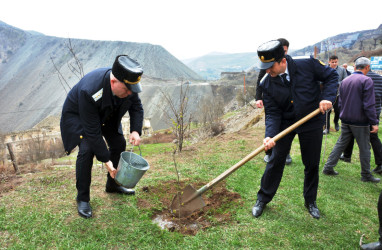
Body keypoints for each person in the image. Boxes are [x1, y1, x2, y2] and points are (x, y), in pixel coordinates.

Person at [252, 40, 338, 219]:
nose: (268, 71)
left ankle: (310, 201)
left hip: (311, 119)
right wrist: (270, 136)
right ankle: (263, 199)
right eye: (265, 67)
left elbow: (331, 77)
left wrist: (327, 97)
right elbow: (273, 113)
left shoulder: (307, 64)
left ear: (282, 61)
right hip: (285, 122)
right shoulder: (266, 83)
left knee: (311, 163)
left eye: (271, 66)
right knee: (275, 160)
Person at [60, 55, 144, 218]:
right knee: (87, 149)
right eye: (126, 91)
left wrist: (135, 130)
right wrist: (107, 161)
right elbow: (92, 132)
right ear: (114, 82)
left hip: (106, 114)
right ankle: (82, 198)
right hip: (80, 115)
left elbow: (136, 106)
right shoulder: (90, 90)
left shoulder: (128, 85)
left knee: (119, 142)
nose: (129, 94)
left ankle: (112, 185)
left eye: (130, 91)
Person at [322, 57, 380, 183]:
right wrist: (374, 122)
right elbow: (369, 104)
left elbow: (341, 101)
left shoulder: (345, 80)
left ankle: (328, 167)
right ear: (367, 68)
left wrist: (343, 113)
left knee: (340, 144)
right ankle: (366, 175)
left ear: (354, 67)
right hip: (360, 121)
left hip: (346, 118)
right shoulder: (367, 80)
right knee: (365, 147)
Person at [255, 38, 292, 165]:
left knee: (287, 130)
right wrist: (258, 97)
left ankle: (285, 153)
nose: (284, 53)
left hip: (287, 106)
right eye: (282, 50)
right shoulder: (268, 66)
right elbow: (260, 82)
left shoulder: (289, 64)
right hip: (272, 100)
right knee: (272, 125)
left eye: (286, 51)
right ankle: (269, 152)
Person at [339, 70, 382, 172]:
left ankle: (380, 164)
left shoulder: (360, 79)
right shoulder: (379, 78)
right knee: (354, 133)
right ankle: (347, 155)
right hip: (374, 110)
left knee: (370, 136)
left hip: (363, 112)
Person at [323, 55, 348, 134]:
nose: (334, 63)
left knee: (338, 110)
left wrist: (336, 83)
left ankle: (336, 121)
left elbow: (345, 80)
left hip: (338, 94)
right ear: (329, 62)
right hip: (327, 94)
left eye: (336, 62)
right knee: (327, 111)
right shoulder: (324, 69)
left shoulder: (342, 70)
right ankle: (327, 128)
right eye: (332, 62)